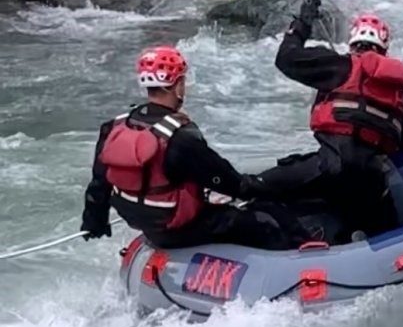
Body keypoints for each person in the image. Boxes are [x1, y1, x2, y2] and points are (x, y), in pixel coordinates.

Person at [79, 46, 315, 250]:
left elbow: (99, 185)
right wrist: (267, 189)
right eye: (183, 80)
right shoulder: (181, 137)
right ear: (177, 85)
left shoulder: (115, 127)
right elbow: (232, 183)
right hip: (180, 230)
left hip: (147, 225)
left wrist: (94, 221)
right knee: (264, 220)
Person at [260, 0, 403, 243]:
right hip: (372, 184)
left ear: (353, 42)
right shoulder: (401, 94)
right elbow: (402, 145)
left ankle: (291, 240)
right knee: (384, 229)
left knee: (256, 185)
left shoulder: (338, 65)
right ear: (384, 49)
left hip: (331, 169)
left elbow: (286, 58)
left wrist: (303, 23)